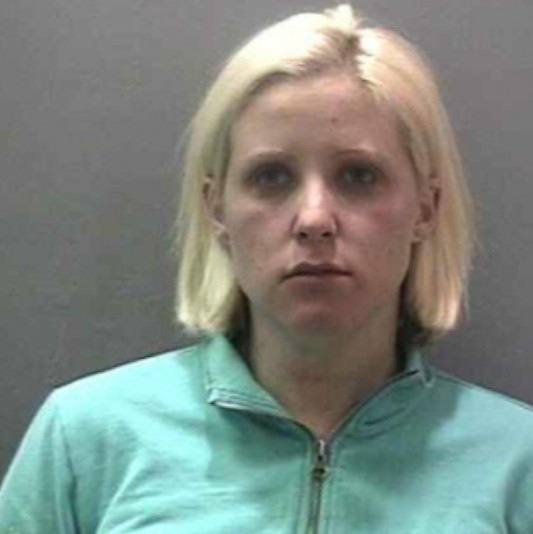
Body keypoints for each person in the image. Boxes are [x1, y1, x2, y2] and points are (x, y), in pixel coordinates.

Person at [1, 4, 532, 533]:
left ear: (425, 208)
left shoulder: (516, 464)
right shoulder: (86, 441)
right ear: (217, 210)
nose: (315, 218)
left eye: (358, 176)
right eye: (272, 177)